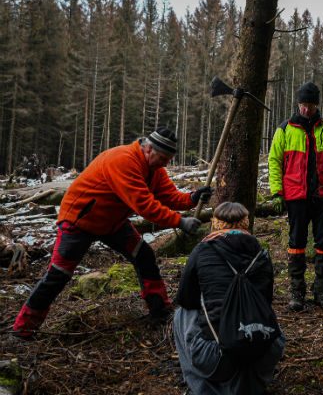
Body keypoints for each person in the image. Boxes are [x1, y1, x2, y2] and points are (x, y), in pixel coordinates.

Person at [12, 128, 212, 339]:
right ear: (148, 148)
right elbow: (144, 204)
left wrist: (192, 197)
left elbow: (169, 195)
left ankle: (160, 311)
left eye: (169, 160)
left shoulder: (155, 168)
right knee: (59, 274)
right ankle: (23, 328)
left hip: (113, 223)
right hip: (79, 223)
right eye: (163, 158)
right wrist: (179, 221)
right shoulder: (123, 160)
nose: (165, 164)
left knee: (143, 255)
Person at [173, 202, 285, 395]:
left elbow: (186, 298)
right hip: (262, 353)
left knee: (182, 313)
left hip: (215, 359)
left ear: (215, 223)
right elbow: (266, 300)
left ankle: (202, 389)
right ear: (246, 223)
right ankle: (251, 385)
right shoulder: (261, 254)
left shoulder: (202, 251)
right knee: (259, 308)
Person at [268, 82, 323, 311]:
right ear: (298, 104)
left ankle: (322, 291)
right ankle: (297, 292)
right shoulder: (285, 129)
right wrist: (276, 193)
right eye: (302, 105)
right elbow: (274, 162)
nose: (306, 110)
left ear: (316, 105)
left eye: (310, 105)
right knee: (296, 244)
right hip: (295, 196)